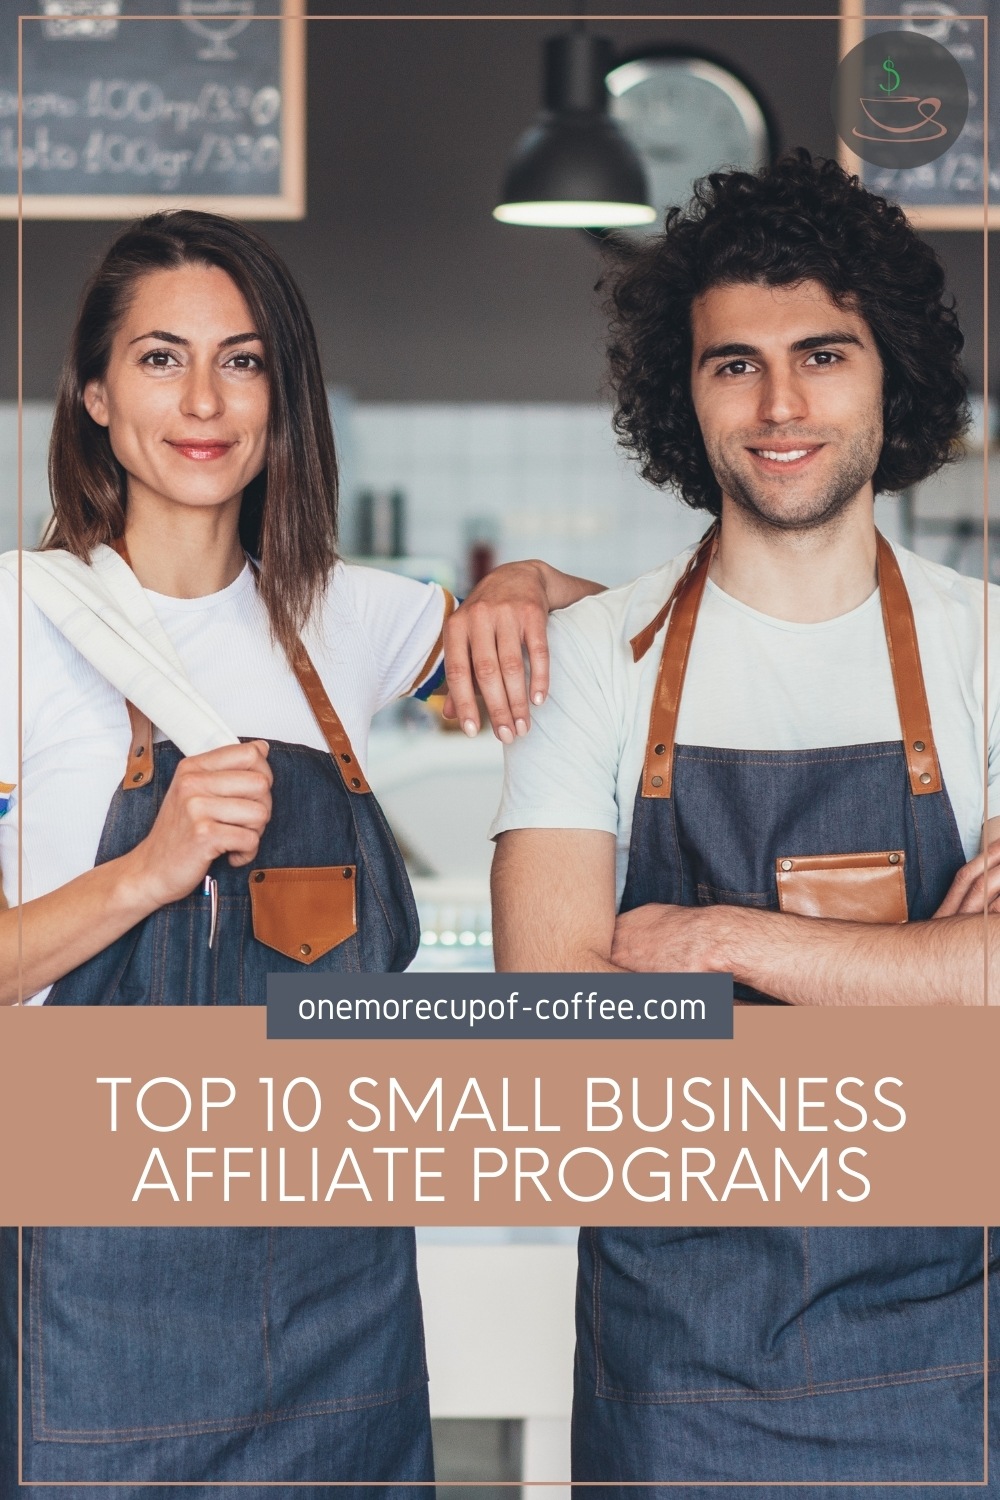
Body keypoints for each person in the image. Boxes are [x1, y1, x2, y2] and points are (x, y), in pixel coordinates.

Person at [0, 209, 601, 1495]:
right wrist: (147, 872)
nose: (204, 399)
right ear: (96, 394)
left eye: (245, 359)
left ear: (283, 395)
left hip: (343, 1298)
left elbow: (639, 660)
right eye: (161, 360)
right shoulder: (21, 621)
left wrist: (523, 587)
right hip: (105, 1296)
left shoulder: (350, 616)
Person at [490, 153, 998, 1491]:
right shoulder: (595, 655)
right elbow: (551, 1025)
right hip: (677, 1373)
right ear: (684, 392)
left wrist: (713, 938)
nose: (780, 405)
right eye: (734, 365)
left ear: (892, 377)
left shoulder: (991, 650)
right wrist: (918, 1004)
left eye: (823, 354)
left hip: (953, 1357)